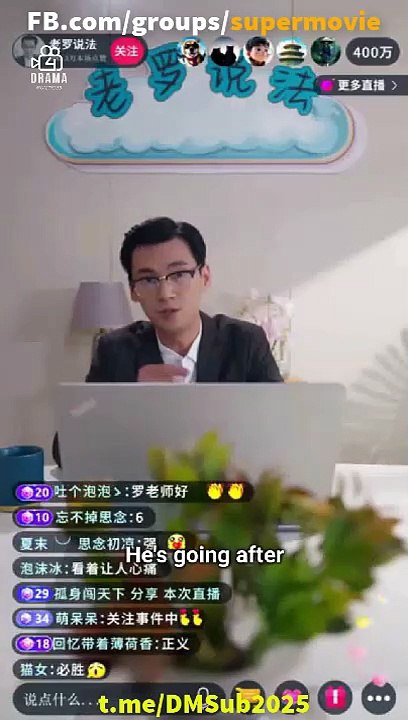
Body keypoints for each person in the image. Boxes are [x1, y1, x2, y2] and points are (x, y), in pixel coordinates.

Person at [53, 216, 282, 463]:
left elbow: (282, 429)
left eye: (179, 274)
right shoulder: (115, 350)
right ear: (133, 291)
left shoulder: (245, 341)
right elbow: (64, 449)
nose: (165, 293)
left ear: (205, 277)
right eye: (148, 280)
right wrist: (129, 400)